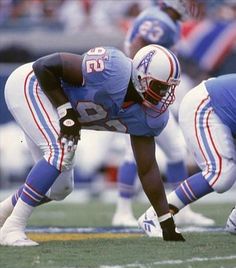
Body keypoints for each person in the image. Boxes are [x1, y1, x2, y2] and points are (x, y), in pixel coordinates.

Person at [0, 44, 185, 246]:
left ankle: (3, 213)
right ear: (140, 77)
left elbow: (148, 168)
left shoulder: (150, 116)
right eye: (160, 87)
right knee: (60, 152)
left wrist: (165, 219)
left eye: (168, 88)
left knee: (60, 188)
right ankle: (12, 228)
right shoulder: (112, 68)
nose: (165, 94)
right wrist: (65, 111)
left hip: (49, 105)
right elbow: (44, 66)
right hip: (32, 86)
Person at [112, 0, 214, 227]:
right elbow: (137, 46)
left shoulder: (166, 20)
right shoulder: (160, 22)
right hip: (139, 96)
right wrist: (140, 87)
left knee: (176, 150)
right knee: (133, 153)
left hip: (149, 96)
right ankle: (122, 210)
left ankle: (182, 210)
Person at [138, 74, 236, 237]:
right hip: (207, 104)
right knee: (220, 174)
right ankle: (154, 216)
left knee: (224, 175)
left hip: (220, 109)